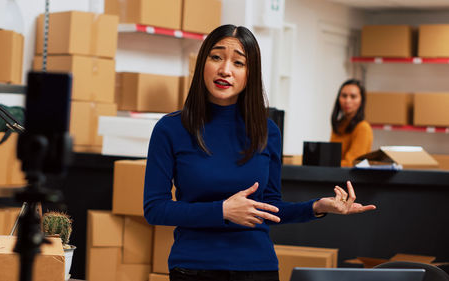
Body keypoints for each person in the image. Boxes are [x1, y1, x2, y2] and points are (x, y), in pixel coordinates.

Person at [144, 24, 376, 281]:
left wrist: (316, 207)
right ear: (203, 64)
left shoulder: (268, 131)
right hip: (194, 267)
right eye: (216, 57)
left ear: (250, 73)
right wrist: (222, 211)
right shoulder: (171, 128)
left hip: (257, 267)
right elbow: (156, 209)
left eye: (239, 63)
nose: (225, 70)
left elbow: (270, 208)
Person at [330, 79, 373, 167]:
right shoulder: (339, 125)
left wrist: (324, 163)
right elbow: (331, 156)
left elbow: (351, 163)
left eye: (353, 97)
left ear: (361, 101)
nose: (347, 101)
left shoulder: (363, 128)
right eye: (344, 96)